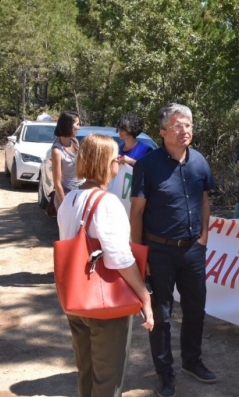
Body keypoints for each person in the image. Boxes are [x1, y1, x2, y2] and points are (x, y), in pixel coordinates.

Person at [56, 134, 154, 397]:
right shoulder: (107, 202)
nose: (118, 164)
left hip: (76, 298)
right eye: (115, 159)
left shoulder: (70, 199)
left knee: (86, 370)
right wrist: (144, 295)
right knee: (108, 379)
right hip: (105, 304)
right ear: (106, 163)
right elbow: (119, 257)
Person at [129, 103, 217, 397]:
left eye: (188, 125)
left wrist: (204, 237)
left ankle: (192, 361)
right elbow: (136, 213)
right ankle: (165, 373)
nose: (185, 130)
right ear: (163, 131)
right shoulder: (147, 165)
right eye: (178, 125)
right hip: (159, 252)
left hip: (193, 251)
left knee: (196, 310)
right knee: (161, 316)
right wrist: (140, 255)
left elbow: (204, 200)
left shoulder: (200, 161)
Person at [51, 112, 82, 209]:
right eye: (77, 124)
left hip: (80, 193)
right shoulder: (57, 151)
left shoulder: (75, 142)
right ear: (68, 125)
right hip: (66, 195)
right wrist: (65, 205)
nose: (79, 128)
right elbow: (57, 182)